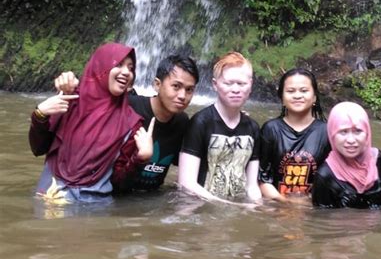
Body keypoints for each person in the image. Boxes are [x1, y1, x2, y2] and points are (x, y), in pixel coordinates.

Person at [54, 54, 199, 194]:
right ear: (157, 84)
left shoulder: (182, 123)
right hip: (107, 196)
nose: (182, 96)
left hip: (149, 201)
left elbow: (190, 168)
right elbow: (94, 98)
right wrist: (69, 87)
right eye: (176, 86)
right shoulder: (128, 106)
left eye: (189, 90)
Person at [30, 43, 154, 204]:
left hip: (92, 208)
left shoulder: (132, 123)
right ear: (100, 67)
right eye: (118, 64)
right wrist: (39, 115)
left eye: (131, 68)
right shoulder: (70, 100)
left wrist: (140, 158)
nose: (126, 72)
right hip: (48, 196)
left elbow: (119, 184)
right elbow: (38, 148)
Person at [178, 51, 261, 202]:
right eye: (228, 83)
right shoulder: (200, 122)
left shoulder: (253, 128)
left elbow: (252, 185)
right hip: (201, 204)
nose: (235, 89)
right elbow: (186, 183)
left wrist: (255, 207)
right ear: (215, 85)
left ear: (250, 85)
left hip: (236, 206)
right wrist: (223, 205)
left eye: (242, 83)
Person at [259, 67, 330, 202]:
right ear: (282, 98)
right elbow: (262, 177)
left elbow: (332, 177)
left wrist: (308, 203)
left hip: (312, 207)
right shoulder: (271, 129)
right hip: (275, 205)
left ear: (314, 96)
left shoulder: (326, 131)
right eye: (291, 91)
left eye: (304, 91)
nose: (297, 95)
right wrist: (283, 202)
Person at [312, 101, 381, 209]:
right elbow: (321, 220)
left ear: (367, 133)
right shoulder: (324, 176)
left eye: (358, 131)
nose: (351, 140)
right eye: (343, 132)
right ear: (332, 135)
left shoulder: (378, 160)